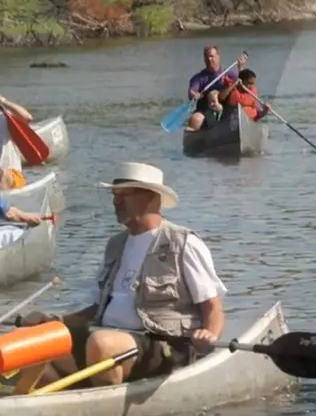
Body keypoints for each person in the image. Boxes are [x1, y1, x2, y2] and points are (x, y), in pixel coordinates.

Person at [20, 162, 227, 388]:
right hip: (106, 338)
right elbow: (98, 308)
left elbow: (212, 307)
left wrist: (209, 334)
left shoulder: (183, 243)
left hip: (160, 344)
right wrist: (54, 321)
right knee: (36, 341)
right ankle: (46, 399)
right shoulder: (115, 245)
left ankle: (101, 401)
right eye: (114, 195)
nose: (116, 201)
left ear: (150, 198)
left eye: (124, 194)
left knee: (101, 344)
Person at [185, 46, 245, 130]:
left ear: (218, 56)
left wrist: (241, 68)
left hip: (226, 108)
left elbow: (243, 85)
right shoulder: (198, 78)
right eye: (207, 57)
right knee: (195, 120)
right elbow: (192, 91)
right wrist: (193, 94)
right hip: (205, 109)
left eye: (212, 56)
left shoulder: (230, 73)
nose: (209, 59)